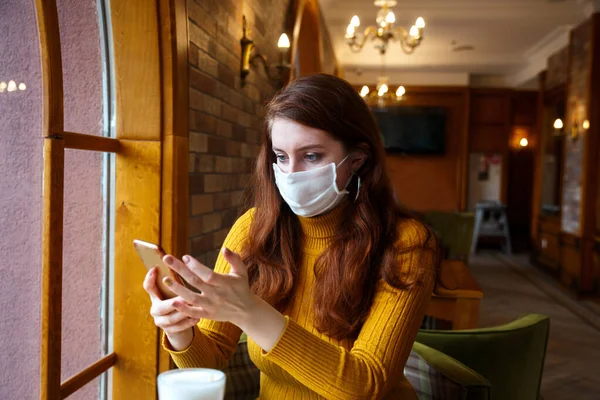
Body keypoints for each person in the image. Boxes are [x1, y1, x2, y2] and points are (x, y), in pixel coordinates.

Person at [143, 73, 440, 399]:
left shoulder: (407, 243)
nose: (291, 173)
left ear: (357, 159)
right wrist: (180, 330)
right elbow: (210, 358)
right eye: (281, 157)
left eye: (311, 156)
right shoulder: (254, 229)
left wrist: (250, 311)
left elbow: (364, 386)